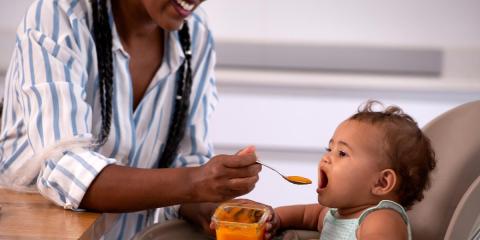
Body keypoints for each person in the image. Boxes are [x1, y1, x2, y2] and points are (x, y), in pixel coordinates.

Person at [0, 0, 276, 239]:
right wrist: (195, 182)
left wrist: (210, 207)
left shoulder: (195, 32)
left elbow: (185, 162)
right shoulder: (61, 16)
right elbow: (63, 166)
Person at [274, 100, 436, 240]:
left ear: (382, 182)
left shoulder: (381, 218)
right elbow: (307, 215)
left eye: (342, 153)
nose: (326, 157)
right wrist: (274, 218)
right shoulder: (336, 214)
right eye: (329, 149)